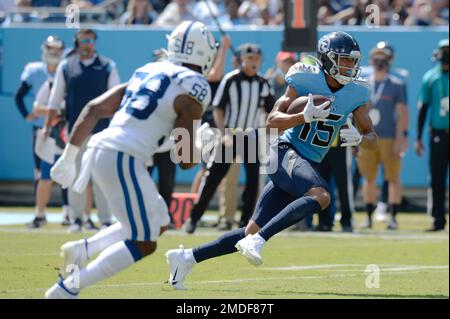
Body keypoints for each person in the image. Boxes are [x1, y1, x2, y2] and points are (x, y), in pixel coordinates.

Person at [165, 31, 378, 290]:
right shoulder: (304, 78)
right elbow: (271, 122)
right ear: (327, 59)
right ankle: (260, 240)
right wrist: (302, 117)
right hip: (285, 150)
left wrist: (358, 137)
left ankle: (186, 258)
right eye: (343, 60)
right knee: (321, 196)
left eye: (351, 61)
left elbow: (372, 137)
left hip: (307, 162)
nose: (349, 66)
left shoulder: (357, 92)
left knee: (249, 231)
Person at [44, 21, 218, 298]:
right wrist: (202, 144)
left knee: (159, 220)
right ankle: (68, 288)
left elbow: (94, 108)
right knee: (145, 241)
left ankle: (82, 250)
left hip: (104, 151)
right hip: (123, 158)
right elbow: (185, 160)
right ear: (206, 52)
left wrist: (69, 156)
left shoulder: (147, 70)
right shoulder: (195, 88)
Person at [183, 43, 275, 234]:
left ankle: (245, 224)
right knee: (213, 178)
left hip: (249, 135)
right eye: (250, 59)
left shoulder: (263, 84)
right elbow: (218, 109)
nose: (254, 63)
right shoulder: (231, 80)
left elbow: (270, 111)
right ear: (242, 60)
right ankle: (193, 218)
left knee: (252, 181)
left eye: (257, 59)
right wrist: (224, 134)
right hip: (230, 135)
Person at [46, 29, 120, 232]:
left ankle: (105, 219)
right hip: (75, 131)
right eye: (83, 40)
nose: (87, 43)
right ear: (77, 43)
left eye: (90, 40)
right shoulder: (66, 66)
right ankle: (76, 219)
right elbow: (55, 98)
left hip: (102, 131)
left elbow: (117, 98)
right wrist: (47, 127)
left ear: (95, 43)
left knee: (102, 176)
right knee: (73, 174)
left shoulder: (107, 65)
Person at [15, 36, 69, 227]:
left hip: (64, 130)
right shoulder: (37, 72)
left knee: (67, 171)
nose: (54, 53)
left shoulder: (67, 71)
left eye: (57, 49)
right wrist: (27, 115)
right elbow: (20, 96)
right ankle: (40, 213)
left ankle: (67, 212)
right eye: (50, 48)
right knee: (41, 172)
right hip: (43, 129)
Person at [357, 44, 408, 230]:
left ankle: (393, 217)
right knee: (369, 178)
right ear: (371, 61)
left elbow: (402, 113)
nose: (380, 63)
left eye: (383, 59)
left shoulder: (396, 84)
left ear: (388, 61)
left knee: (393, 177)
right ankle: (369, 217)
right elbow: (358, 110)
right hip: (368, 136)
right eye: (376, 59)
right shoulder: (364, 83)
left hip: (389, 137)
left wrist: (401, 138)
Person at [415, 39, 449, 232]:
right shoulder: (431, 77)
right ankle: (438, 219)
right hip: (439, 134)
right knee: (437, 178)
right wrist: (418, 138)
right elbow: (423, 108)